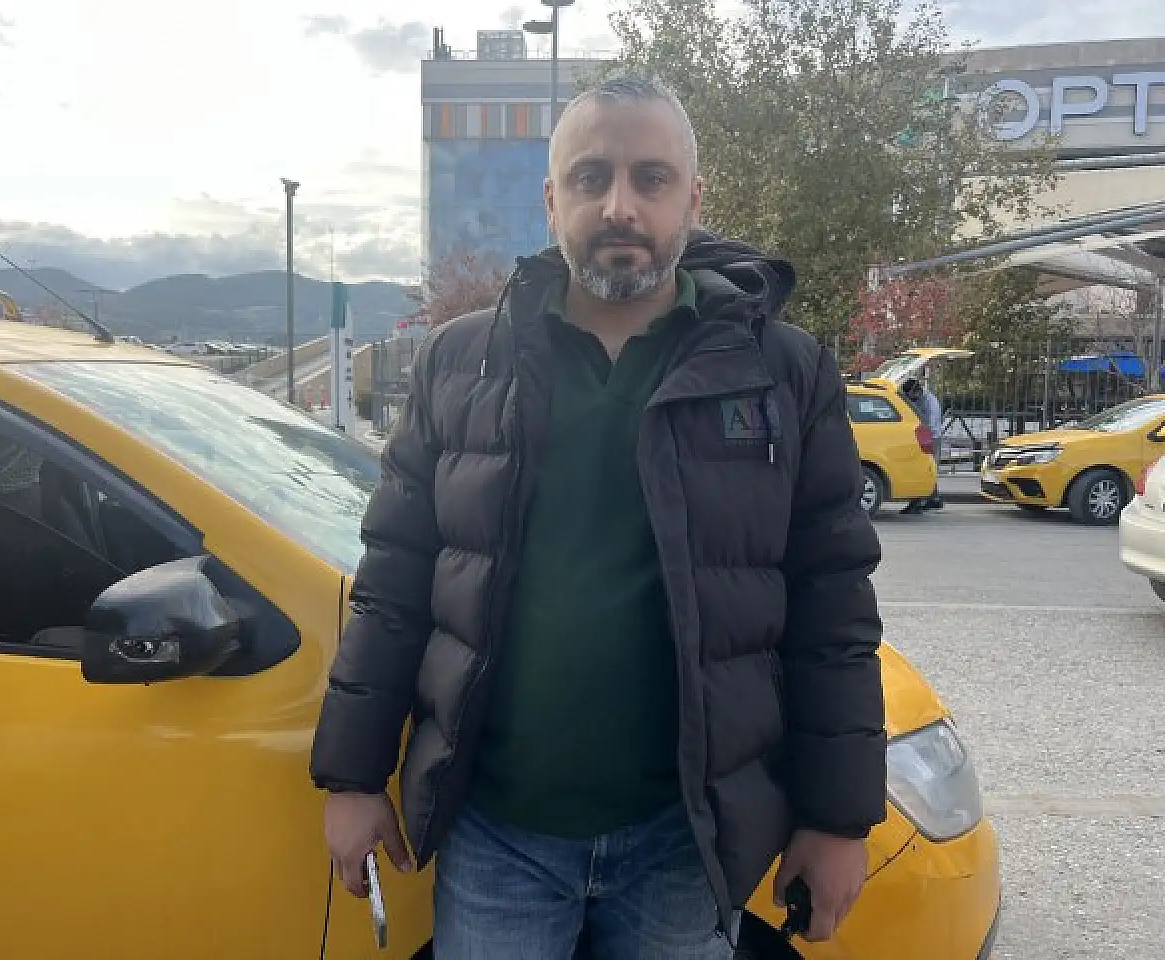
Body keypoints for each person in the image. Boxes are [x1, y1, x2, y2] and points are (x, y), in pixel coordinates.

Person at [310, 74, 886, 958]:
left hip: (685, 845)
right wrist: (352, 778)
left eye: (651, 178)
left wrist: (838, 818)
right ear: (552, 201)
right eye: (591, 177)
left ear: (692, 199)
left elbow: (831, 603)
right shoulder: (462, 363)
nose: (620, 205)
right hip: (498, 835)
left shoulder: (782, 370)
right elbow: (395, 582)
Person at [899, 377, 944, 513]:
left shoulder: (930, 402)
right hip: (922, 437)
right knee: (927, 469)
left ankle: (918, 502)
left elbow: (932, 425)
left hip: (930, 438)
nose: (910, 399)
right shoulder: (918, 399)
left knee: (923, 469)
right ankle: (934, 499)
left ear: (916, 391)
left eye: (910, 396)